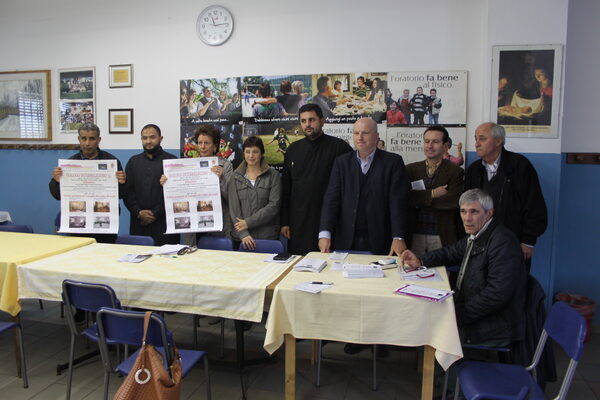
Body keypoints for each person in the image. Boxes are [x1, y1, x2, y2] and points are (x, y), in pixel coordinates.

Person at [401, 188, 526, 347]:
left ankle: (442, 370)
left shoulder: (503, 243)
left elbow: (496, 295)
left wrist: (457, 314)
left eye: (474, 212)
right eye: (463, 211)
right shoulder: (479, 234)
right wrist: (420, 260)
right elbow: (451, 252)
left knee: (430, 328)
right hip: (475, 310)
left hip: (493, 324)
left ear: (489, 213)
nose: (467, 218)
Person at [319, 117, 408, 256]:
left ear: (377, 136)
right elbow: (331, 200)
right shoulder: (341, 163)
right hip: (345, 240)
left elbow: (398, 203)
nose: (360, 137)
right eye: (356, 133)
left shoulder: (393, 162)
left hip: (380, 240)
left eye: (365, 133)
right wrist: (325, 234)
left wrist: (398, 237)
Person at [465, 122, 547, 270]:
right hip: (480, 241)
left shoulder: (520, 166)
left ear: (498, 141)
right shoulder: (474, 170)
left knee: (511, 285)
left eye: (482, 139)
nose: (476, 144)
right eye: (475, 139)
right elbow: (466, 207)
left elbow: (534, 205)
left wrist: (528, 241)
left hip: (513, 241)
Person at [281, 104, 353, 255]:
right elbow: (286, 189)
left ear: (322, 121)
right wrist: (285, 222)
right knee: (301, 266)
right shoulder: (293, 149)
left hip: (331, 221)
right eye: (303, 121)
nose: (307, 124)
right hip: (299, 222)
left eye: (312, 120)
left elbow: (351, 187)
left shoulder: (339, 147)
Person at [49, 122, 126, 243]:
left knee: (105, 256)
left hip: (104, 222)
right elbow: (57, 196)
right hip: (79, 224)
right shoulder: (70, 163)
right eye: (83, 138)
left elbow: (121, 194)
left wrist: (122, 183)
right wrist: (56, 181)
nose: (87, 143)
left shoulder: (111, 161)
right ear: (78, 139)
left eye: (92, 139)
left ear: (98, 140)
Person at [161, 125, 233, 237]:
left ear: (215, 146)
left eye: (207, 143)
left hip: (218, 222)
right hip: (193, 224)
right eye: (200, 143)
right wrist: (167, 183)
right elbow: (179, 193)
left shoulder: (225, 165)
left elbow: (230, 198)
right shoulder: (188, 165)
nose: (202, 147)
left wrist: (222, 178)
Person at [406, 126, 464, 256]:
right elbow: (406, 198)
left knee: (441, 274)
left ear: (445, 146)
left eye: (435, 142)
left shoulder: (456, 172)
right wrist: (432, 194)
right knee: (411, 273)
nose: (430, 146)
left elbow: (452, 202)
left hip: (441, 235)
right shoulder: (410, 170)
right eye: (427, 141)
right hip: (414, 234)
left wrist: (419, 200)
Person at [123, 124, 178, 246]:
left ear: (160, 138)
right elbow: (128, 193)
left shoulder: (172, 162)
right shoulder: (133, 162)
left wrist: (155, 213)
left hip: (164, 223)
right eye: (144, 138)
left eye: (152, 137)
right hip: (139, 223)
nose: (148, 141)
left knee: (166, 261)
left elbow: (175, 194)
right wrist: (138, 212)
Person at [228, 136, 281, 250]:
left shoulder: (273, 176)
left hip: (267, 237)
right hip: (242, 239)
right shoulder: (235, 177)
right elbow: (234, 209)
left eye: (255, 152)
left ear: (261, 153)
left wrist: (248, 222)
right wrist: (244, 234)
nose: (251, 156)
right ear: (243, 154)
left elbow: (274, 206)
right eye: (248, 152)